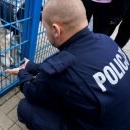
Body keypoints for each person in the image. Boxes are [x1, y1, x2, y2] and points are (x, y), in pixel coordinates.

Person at [7, 0, 130, 129]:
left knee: (25, 108)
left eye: (45, 28)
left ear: (56, 30)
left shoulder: (63, 69)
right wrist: (31, 66)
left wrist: (22, 73)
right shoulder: (105, 41)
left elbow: (33, 93)